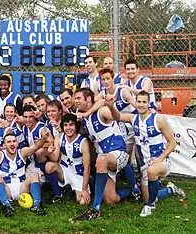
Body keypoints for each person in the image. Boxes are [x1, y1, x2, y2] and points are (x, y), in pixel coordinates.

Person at [106, 90, 186, 217]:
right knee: (147, 196)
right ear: (135, 102)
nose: (141, 105)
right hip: (145, 166)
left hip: (161, 162)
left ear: (149, 103)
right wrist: (110, 105)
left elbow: (172, 143)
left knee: (152, 173)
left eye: (144, 102)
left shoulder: (158, 120)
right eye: (139, 102)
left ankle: (150, 206)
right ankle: (170, 189)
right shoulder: (133, 119)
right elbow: (117, 117)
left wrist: (160, 158)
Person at [74, 88, 132, 221]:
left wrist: (111, 106)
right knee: (111, 199)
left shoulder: (101, 112)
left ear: (88, 99)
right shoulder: (84, 117)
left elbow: (115, 116)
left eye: (78, 98)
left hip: (118, 153)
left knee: (100, 160)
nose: (75, 101)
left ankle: (95, 210)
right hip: (104, 159)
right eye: (75, 98)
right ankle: (135, 191)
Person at [0, 131, 51, 217]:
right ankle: (6, 206)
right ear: (4, 145)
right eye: (9, 142)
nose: (12, 144)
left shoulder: (22, 153)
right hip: (7, 189)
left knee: (34, 175)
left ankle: (37, 205)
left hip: (22, 188)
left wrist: (43, 139)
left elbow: (36, 146)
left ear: (17, 143)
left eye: (14, 141)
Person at [96, 68, 141, 199]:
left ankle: (136, 184)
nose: (105, 82)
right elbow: (93, 102)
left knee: (135, 155)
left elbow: (137, 106)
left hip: (131, 123)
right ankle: (133, 186)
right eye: (103, 79)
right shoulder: (102, 93)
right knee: (124, 155)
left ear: (113, 78)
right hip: (119, 125)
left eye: (108, 78)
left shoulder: (123, 91)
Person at [45, 114, 91, 205]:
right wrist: (50, 153)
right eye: (65, 125)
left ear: (76, 126)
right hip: (64, 170)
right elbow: (54, 159)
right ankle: (58, 194)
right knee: (49, 166)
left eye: (71, 125)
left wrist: (84, 189)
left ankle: (72, 189)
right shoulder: (59, 137)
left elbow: (87, 168)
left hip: (78, 175)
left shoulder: (83, 142)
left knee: (83, 202)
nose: (68, 128)